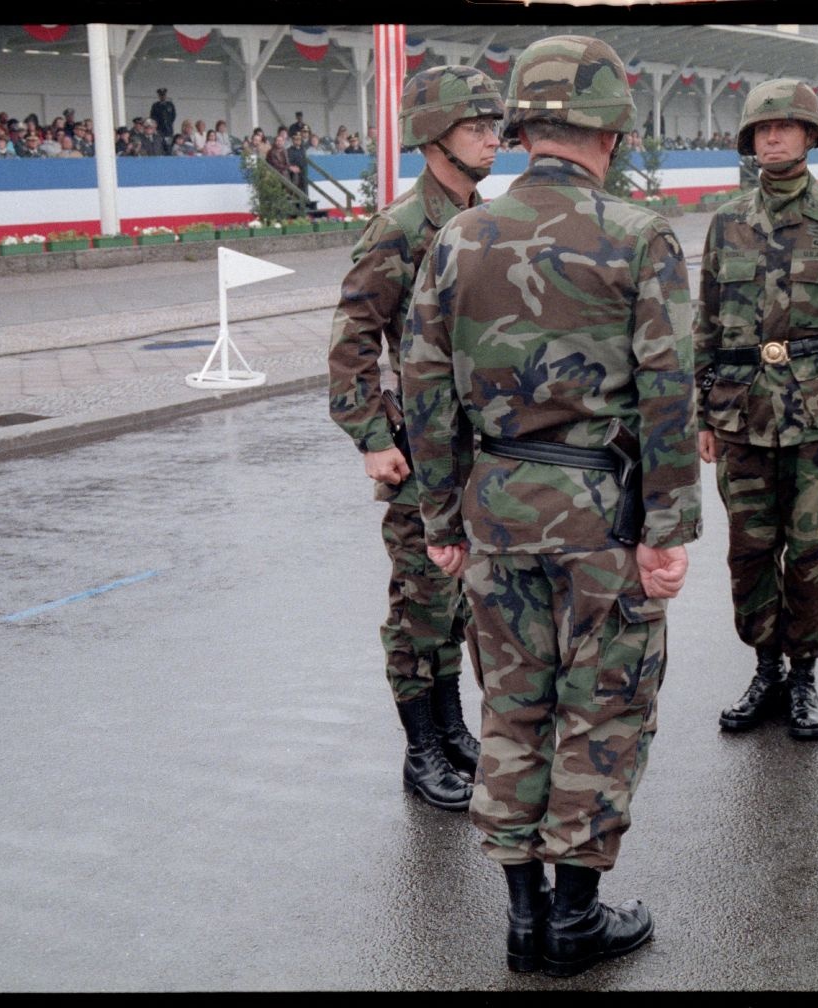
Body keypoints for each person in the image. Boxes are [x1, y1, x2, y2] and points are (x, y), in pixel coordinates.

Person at [401, 34, 700, 978]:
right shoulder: (639, 235)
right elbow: (669, 394)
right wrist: (668, 533)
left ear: (527, 126)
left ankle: (523, 917)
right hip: (601, 518)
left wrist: (441, 523)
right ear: (609, 128)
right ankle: (573, 916)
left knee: (513, 707)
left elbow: (423, 392)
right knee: (602, 709)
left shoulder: (457, 237)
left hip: (494, 514)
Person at [328, 64, 505, 815]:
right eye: (476, 127)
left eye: (495, 126)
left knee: (457, 600)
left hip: (475, 450)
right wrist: (371, 436)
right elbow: (350, 342)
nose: (493, 139)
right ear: (435, 136)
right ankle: (420, 750)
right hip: (417, 453)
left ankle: (452, 728)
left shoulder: (482, 217)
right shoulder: (401, 229)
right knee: (419, 604)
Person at [694, 79, 818, 740]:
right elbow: (705, 322)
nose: (772, 137)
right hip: (741, 414)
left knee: (808, 551)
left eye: (786, 126)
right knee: (750, 551)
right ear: (749, 141)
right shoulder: (727, 222)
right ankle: (765, 671)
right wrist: (702, 412)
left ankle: (804, 676)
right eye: (761, 129)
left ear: (811, 136)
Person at [149, 87, 176, 153]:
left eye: (163, 95)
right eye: (161, 95)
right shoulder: (155, 106)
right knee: (160, 146)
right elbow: (153, 117)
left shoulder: (170, 105)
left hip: (168, 130)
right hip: (159, 130)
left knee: (169, 146)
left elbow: (173, 116)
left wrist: (169, 123)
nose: (162, 97)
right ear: (159, 96)